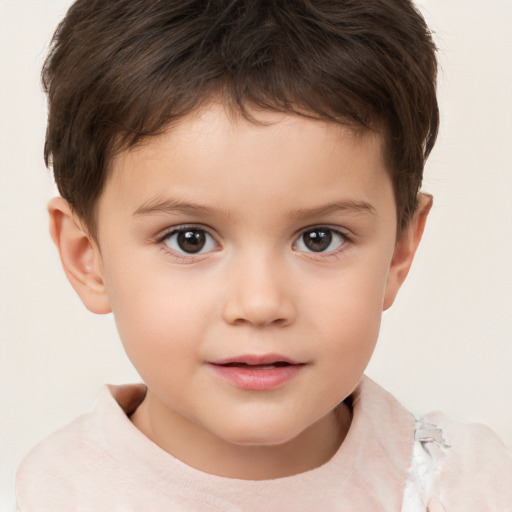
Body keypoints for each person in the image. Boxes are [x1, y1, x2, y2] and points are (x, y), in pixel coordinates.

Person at [15, 0, 512, 510]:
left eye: (320, 238)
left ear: (397, 253)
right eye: (190, 239)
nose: (259, 303)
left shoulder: (468, 488)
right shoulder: (49, 494)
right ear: (87, 257)